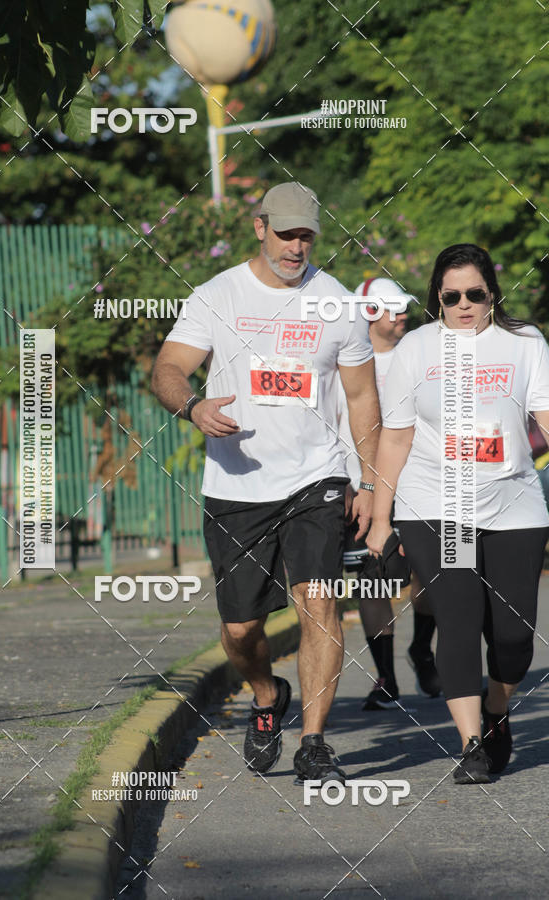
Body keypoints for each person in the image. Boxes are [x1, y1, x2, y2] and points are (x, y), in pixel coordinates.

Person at [151, 182, 380, 783]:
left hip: (318, 478)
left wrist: (370, 482)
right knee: (240, 629)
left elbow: (361, 398)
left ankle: (313, 741)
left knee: (320, 602)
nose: (296, 246)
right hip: (238, 485)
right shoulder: (217, 295)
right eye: (286, 234)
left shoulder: (336, 303)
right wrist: (193, 406)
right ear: (260, 228)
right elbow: (169, 368)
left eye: (306, 235)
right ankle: (265, 695)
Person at [367, 243, 549, 784]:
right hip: (439, 507)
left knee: (514, 640)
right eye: (452, 297)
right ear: (437, 300)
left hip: (513, 502)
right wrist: (381, 518)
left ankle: (496, 709)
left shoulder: (524, 343)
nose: (464, 305)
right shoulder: (416, 350)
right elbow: (395, 438)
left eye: (475, 294)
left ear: (492, 292)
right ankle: (471, 743)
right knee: (459, 620)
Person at [337, 278, 440, 710]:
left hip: (419, 481)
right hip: (361, 485)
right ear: (369, 313)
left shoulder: (417, 355)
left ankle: (421, 649)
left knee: (431, 574)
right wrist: (344, 479)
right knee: (373, 578)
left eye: (403, 309)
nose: (402, 316)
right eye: (393, 309)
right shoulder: (342, 359)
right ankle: (387, 678)